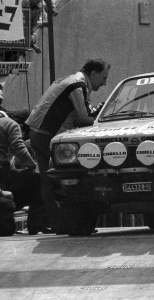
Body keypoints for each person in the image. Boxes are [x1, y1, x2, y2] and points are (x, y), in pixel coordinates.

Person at [26, 58, 110, 234]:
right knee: (70, 177)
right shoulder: (77, 85)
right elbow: (85, 117)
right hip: (47, 137)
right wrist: (105, 111)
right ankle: (74, 223)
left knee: (47, 183)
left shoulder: (69, 80)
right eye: (103, 78)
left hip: (37, 133)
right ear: (93, 74)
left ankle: (57, 225)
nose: (104, 83)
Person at [0, 110, 50, 235]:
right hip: (3, 172)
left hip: (4, 179)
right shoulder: (9, 124)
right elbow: (19, 148)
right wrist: (33, 166)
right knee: (40, 178)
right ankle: (36, 225)